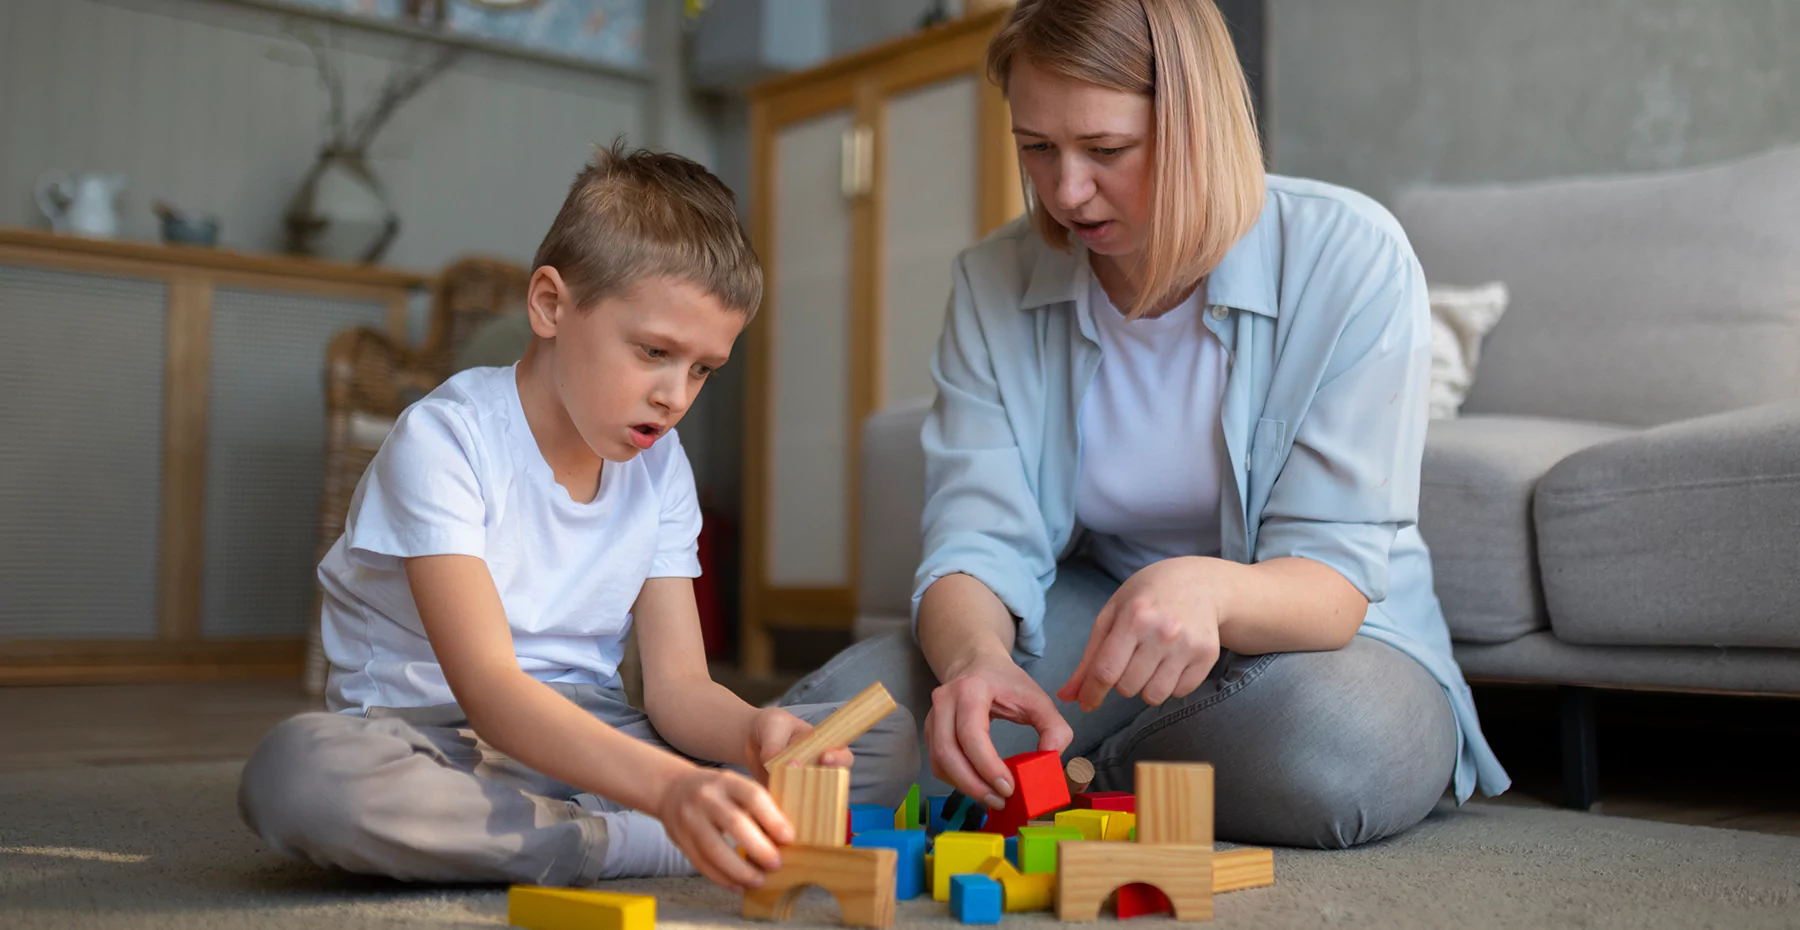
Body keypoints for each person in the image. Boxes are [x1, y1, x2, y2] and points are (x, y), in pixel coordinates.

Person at [780, 0, 1509, 849]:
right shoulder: (992, 280)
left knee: (1332, 754)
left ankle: (1080, 777)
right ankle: (1090, 774)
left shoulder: (1352, 255)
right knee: (852, 729)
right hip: (1102, 618)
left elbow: (1333, 583)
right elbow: (974, 538)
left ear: (1196, 125)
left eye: (1107, 150)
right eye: (1036, 149)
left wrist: (1204, 588)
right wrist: (977, 660)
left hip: (1323, 643)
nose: (1066, 191)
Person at [238, 142, 916, 890]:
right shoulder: (445, 441)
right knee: (298, 774)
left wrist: (756, 732)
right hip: (437, 737)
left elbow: (679, 690)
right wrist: (666, 790)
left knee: (879, 737)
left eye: (701, 369)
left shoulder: (662, 465)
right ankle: (643, 842)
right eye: (653, 351)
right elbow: (492, 695)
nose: (675, 395)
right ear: (552, 305)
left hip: (595, 739)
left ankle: (633, 824)